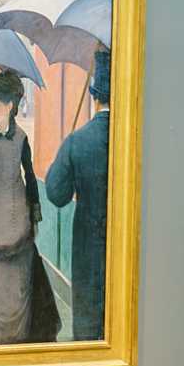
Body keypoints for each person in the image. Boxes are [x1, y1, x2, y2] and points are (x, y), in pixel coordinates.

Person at [0, 68, 61, 345]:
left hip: (18, 223)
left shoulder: (21, 139)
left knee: (17, 292)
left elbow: (30, 176)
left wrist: (35, 214)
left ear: (11, 106)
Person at [45, 48, 111, 341]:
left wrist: (66, 153)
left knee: (87, 328)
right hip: (126, 251)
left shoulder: (78, 140)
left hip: (88, 250)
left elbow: (56, 193)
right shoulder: (134, 139)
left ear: (94, 97)